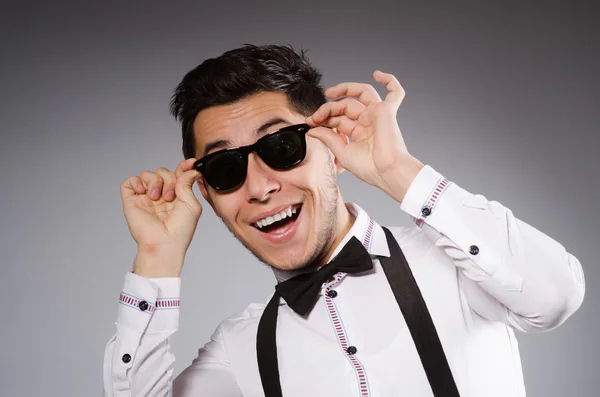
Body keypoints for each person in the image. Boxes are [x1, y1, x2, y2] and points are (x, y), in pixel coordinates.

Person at [102, 44, 585, 397]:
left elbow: (556, 296)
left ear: (332, 149)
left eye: (281, 147)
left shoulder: (454, 260)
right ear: (206, 193)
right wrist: (157, 258)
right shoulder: (242, 346)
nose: (260, 187)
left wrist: (398, 171)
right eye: (226, 168)